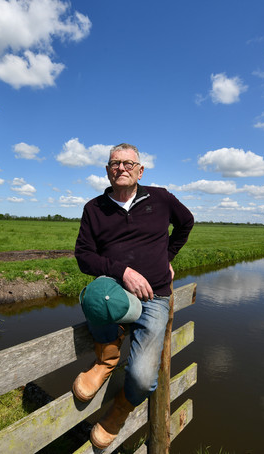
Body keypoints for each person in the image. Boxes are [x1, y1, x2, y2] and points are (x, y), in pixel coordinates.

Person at [73, 143, 194, 449]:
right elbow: (84, 256)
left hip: (155, 297)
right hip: (117, 291)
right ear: (107, 170)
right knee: (94, 295)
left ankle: (120, 409)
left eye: (129, 163)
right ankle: (106, 360)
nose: (122, 168)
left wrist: (167, 257)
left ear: (141, 170)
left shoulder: (161, 198)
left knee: (142, 378)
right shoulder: (94, 208)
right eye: (115, 163)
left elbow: (186, 222)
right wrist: (122, 271)